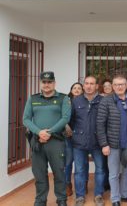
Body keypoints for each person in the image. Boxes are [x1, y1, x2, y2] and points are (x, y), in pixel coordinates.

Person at [23, 71, 71, 206]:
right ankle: (40, 200)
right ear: (40, 83)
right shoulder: (33, 99)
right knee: (39, 174)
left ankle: (61, 200)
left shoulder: (63, 98)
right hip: (38, 141)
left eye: (49, 82)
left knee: (59, 173)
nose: (47, 84)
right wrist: (39, 132)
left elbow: (65, 118)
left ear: (54, 83)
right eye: (44, 82)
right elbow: (26, 119)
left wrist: (49, 132)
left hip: (56, 141)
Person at [96, 74, 127, 206]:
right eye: (116, 84)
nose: (119, 87)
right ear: (113, 86)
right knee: (114, 173)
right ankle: (115, 198)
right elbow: (100, 124)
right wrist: (104, 144)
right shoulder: (106, 101)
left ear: (126, 86)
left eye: (122, 84)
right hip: (113, 144)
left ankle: (125, 194)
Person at [70, 76, 105, 206]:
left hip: (97, 142)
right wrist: (77, 133)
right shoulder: (76, 101)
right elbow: (71, 120)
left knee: (100, 169)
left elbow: (106, 121)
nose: (89, 86)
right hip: (79, 142)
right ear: (83, 86)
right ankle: (79, 196)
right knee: (79, 170)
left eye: (92, 83)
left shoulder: (103, 101)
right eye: (87, 83)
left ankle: (98, 195)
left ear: (96, 86)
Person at [65, 82, 83, 197]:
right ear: (71, 90)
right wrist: (66, 126)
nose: (76, 90)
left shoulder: (85, 101)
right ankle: (67, 185)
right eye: (74, 88)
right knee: (68, 161)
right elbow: (61, 116)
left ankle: (82, 184)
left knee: (81, 163)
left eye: (79, 88)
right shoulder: (66, 102)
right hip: (68, 136)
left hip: (81, 136)